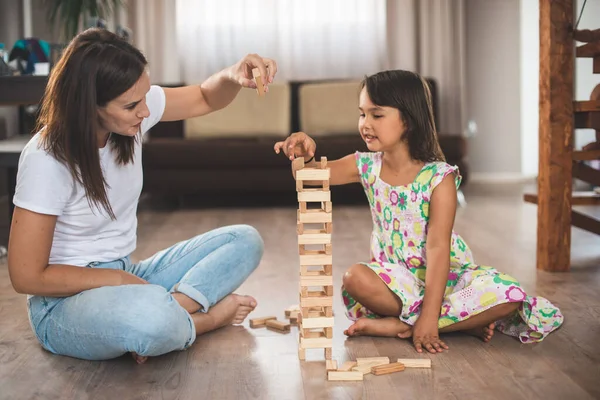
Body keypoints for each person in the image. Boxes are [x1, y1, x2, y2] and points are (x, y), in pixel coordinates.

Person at [7, 28, 276, 364]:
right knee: (149, 318)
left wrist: (233, 75)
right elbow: (26, 276)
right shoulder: (46, 158)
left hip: (130, 277)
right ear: (89, 105)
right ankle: (203, 320)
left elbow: (206, 97)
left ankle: (168, 312)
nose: (146, 112)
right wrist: (119, 280)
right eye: (132, 105)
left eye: (145, 97)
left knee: (245, 240)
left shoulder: (130, 117)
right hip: (63, 303)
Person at [274, 70, 564, 354]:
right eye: (362, 114)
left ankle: (412, 324)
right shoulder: (364, 165)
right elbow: (309, 176)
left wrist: (429, 316)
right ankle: (457, 324)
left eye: (377, 114)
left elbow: (438, 248)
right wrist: (304, 154)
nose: (365, 123)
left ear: (408, 121)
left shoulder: (440, 177)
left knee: (510, 295)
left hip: (447, 279)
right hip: (395, 280)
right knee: (354, 278)